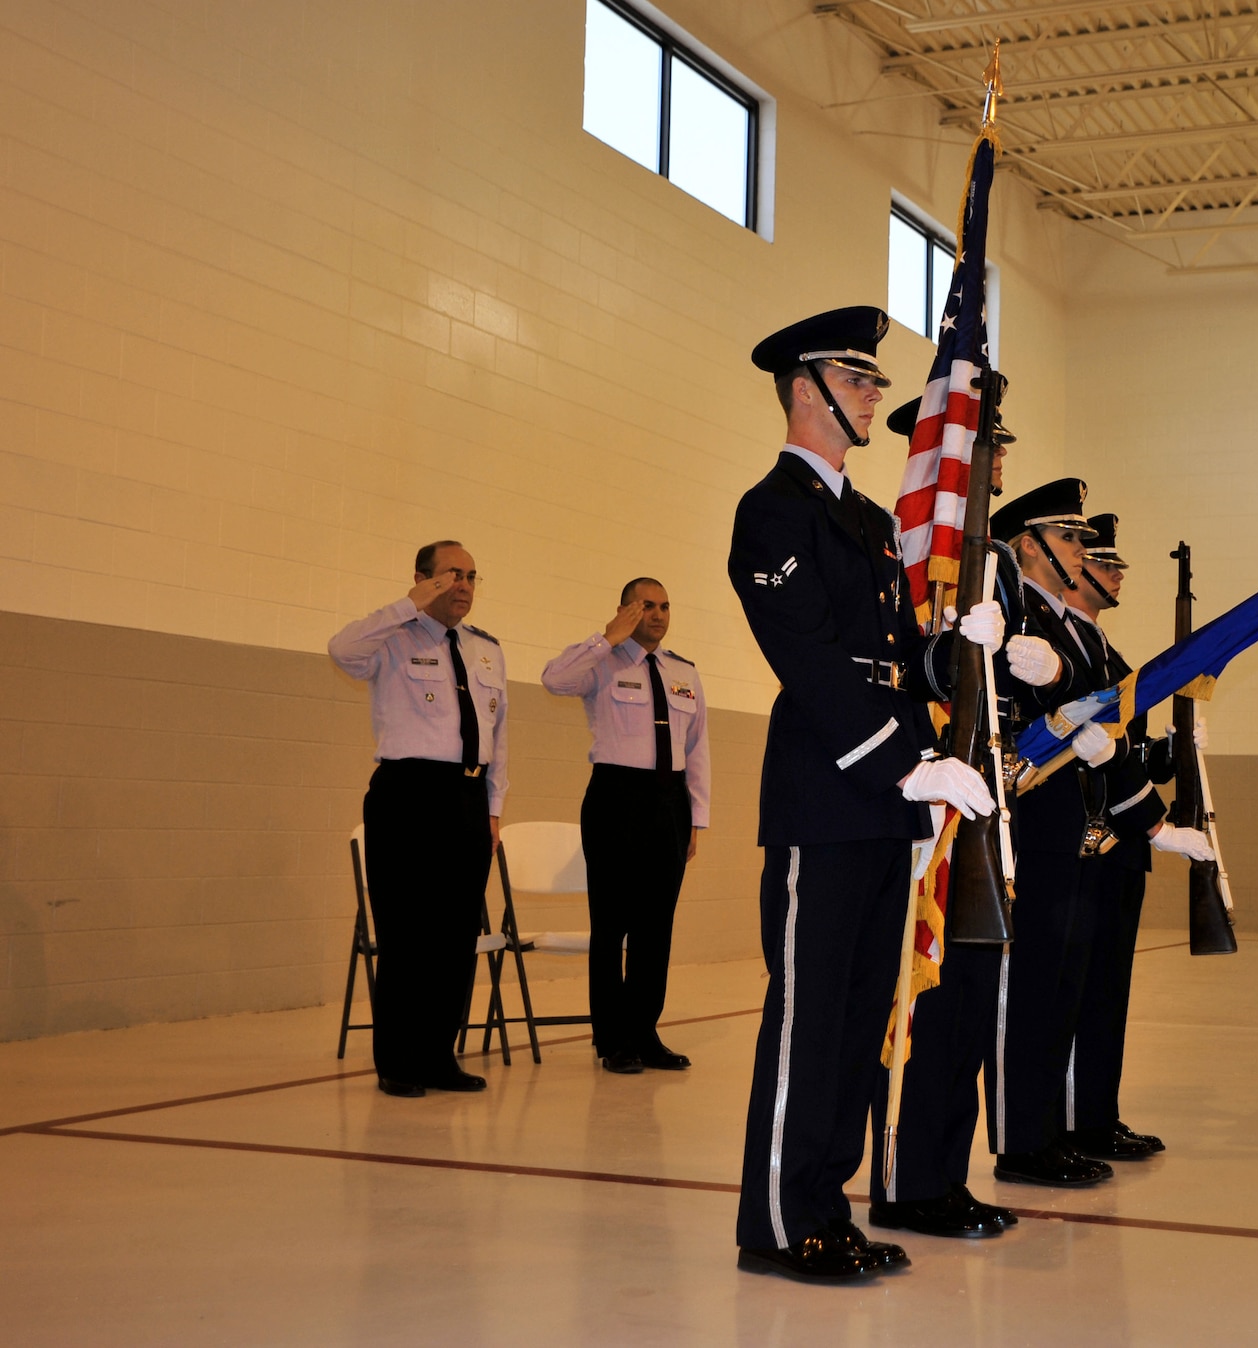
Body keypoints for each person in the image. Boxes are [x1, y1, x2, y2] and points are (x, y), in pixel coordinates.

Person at [728, 307, 1048, 1282]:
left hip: (882, 805)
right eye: (856, 378)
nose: (873, 393)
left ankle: (827, 1205)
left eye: (873, 379)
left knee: (862, 1018)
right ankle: (781, 1224)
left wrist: (967, 647)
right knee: (807, 1018)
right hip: (825, 799)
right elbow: (809, 658)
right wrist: (899, 761)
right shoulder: (773, 509)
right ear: (804, 387)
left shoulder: (868, 523)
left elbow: (902, 658)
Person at [986, 482, 1211, 1189]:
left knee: (1077, 991)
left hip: (1094, 831)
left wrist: (1162, 777)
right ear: (1030, 544)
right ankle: (1028, 1139)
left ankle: (1063, 1127)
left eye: (1093, 548)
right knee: (1038, 996)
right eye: (1076, 542)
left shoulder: (1082, 637)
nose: (1090, 560)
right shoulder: (1016, 622)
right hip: (1041, 834)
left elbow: (1108, 734)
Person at [861, 395, 1040, 1242]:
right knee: (924, 992)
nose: (998, 457)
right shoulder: (914, 543)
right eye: (985, 443)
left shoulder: (993, 554)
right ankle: (906, 1181)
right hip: (930, 787)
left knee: (970, 995)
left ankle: (944, 1174)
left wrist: (1014, 656)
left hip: (984, 791)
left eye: (999, 445)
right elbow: (908, 662)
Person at [328, 541, 507, 1098]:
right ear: (422, 579)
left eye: (473, 576)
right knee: (406, 932)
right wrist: (407, 605)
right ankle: (398, 1063)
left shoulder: (487, 650)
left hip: (468, 797)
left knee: (455, 936)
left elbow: (499, 739)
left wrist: (494, 807)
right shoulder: (389, 640)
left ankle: (437, 1057)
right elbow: (340, 650)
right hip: (408, 794)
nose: (464, 585)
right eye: (453, 574)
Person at [541, 577, 709, 1074]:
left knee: (656, 929)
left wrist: (695, 817)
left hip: (670, 802)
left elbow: (698, 749)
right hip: (616, 799)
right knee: (611, 925)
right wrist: (607, 637)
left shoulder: (685, 672)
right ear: (625, 610)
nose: (657, 615)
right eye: (646, 606)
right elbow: (553, 679)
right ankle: (612, 1039)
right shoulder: (601, 663)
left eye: (664, 607)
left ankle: (644, 1033)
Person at [1061, 512, 1187, 1161]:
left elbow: (1125, 750)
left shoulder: (1114, 658)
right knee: (1071, 993)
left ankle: (1097, 1118)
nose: (1115, 575)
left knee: (1108, 992)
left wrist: (1169, 754)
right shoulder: (1063, 652)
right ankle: (1061, 1125)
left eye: (1115, 565)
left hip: (1122, 847)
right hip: (1088, 844)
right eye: (1103, 563)